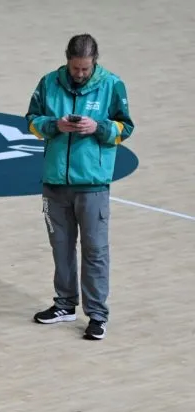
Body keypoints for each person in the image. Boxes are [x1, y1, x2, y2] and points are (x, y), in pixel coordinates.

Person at [25, 33, 134, 340]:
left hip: (93, 184)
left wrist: (97, 127)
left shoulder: (112, 84)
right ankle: (64, 304)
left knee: (95, 251)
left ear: (94, 62)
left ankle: (97, 314)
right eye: (75, 68)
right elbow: (31, 121)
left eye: (85, 69)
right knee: (60, 247)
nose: (80, 74)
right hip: (55, 182)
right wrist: (53, 126)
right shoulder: (48, 83)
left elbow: (126, 127)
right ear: (67, 61)